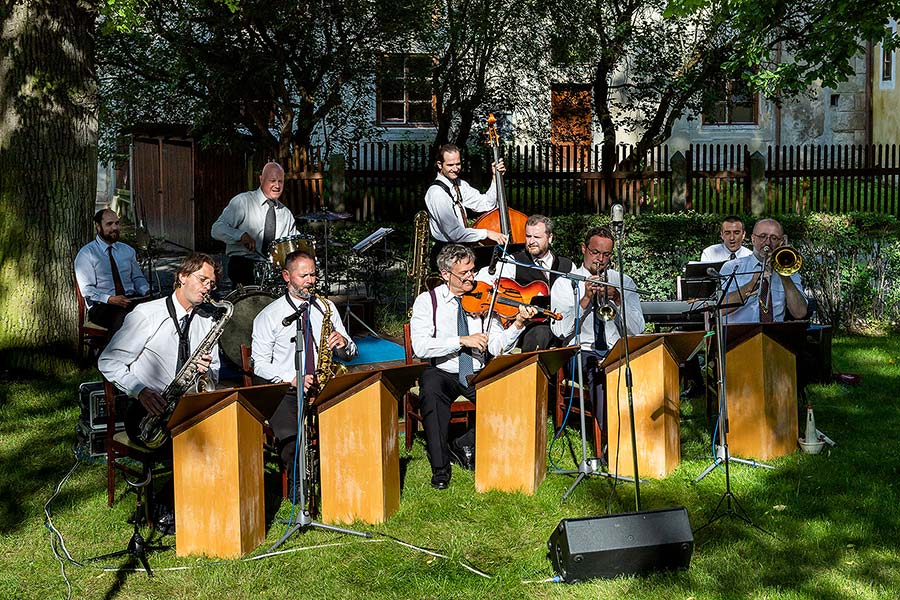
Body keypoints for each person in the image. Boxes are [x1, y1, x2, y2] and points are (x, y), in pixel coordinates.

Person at [410, 244, 537, 490]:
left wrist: (518, 324)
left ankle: (462, 443)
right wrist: (460, 341)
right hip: (443, 370)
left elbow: (498, 346)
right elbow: (421, 347)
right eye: (464, 273)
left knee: (509, 401)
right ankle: (440, 469)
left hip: (477, 370)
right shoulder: (428, 302)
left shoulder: (486, 298)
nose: (471, 277)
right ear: (446, 274)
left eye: (472, 270)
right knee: (432, 394)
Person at [251, 250, 357, 494]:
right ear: (286, 276)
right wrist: (292, 378)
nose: (310, 280)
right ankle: (300, 487)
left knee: (353, 422)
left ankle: (341, 476)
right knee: (292, 438)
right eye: (303, 276)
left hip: (324, 382)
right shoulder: (269, 316)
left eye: (313, 275)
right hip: (286, 388)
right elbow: (259, 364)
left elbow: (351, 352)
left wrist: (343, 343)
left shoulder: (326, 307)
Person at [98, 253, 221, 425]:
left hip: (189, 410)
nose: (207, 287)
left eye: (211, 283)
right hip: (147, 412)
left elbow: (213, 374)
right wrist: (139, 391)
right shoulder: (147, 314)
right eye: (202, 279)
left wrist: (206, 371)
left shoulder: (208, 322)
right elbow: (108, 362)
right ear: (183, 276)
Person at [550, 227, 645, 448]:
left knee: (646, 366)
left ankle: (643, 439)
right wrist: (585, 300)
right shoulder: (566, 283)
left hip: (616, 348)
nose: (600, 260)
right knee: (599, 372)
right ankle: (611, 445)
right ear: (584, 249)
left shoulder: (623, 282)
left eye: (606, 255)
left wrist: (618, 301)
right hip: (580, 351)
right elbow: (560, 330)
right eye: (595, 252)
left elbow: (638, 329)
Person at [476, 214, 575, 350]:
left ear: (550, 238)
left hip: (563, 323)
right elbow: (484, 277)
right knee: (540, 334)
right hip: (530, 325)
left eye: (537, 237)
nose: (531, 241)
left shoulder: (567, 265)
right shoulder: (514, 261)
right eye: (528, 236)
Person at [211, 161, 299, 287]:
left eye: (281, 181)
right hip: (244, 265)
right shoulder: (243, 202)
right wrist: (240, 235)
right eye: (272, 180)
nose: (277, 185)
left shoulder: (286, 214)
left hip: (274, 271)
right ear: (261, 180)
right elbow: (216, 229)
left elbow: (295, 242)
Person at [425, 144, 507, 269]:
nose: (455, 168)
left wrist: (496, 178)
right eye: (450, 165)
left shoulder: (459, 185)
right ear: (440, 165)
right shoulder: (437, 193)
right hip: (446, 254)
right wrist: (487, 233)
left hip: (460, 249)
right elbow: (454, 233)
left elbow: (486, 204)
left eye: (458, 164)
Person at [74, 209, 151, 335]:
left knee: (157, 312)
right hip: (103, 306)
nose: (115, 227)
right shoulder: (87, 254)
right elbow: (87, 289)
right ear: (98, 227)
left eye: (117, 223)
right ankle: (116, 354)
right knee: (127, 320)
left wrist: (146, 291)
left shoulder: (127, 251)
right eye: (109, 224)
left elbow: (138, 278)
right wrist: (110, 299)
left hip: (130, 300)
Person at [721, 218, 808, 323]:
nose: (767, 242)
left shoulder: (789, 270)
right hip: (740, 335)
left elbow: (800, 313)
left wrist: (784, 276)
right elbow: (721, 309)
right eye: (762, 236)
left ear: (781, 242)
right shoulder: (732, 267)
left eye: (774, 238)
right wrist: (750, 286)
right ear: (753, 239)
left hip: (773, 335)